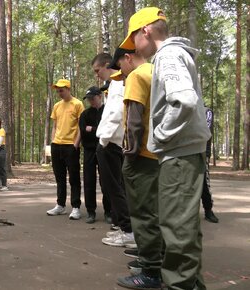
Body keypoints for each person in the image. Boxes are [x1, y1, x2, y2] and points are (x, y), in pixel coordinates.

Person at [119, 7, 211, 290]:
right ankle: (191, 283)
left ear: (145, 30)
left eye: (133, 38)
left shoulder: (168, 56)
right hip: (183, 150)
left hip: (178, 152)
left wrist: (159, 135)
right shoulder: (172, 56)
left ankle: (181, 285)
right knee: (181, 225)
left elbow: (183, 100)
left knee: (177, 228)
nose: (133, 47)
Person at [110, 46, 163, 288]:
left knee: (142, 214)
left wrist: (129, 153)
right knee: (154, 211)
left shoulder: (136, 76)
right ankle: (155, 260)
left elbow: (133, 118)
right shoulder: (156, 71)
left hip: (140, 154)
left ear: (127, 58)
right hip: (157, 153)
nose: (121, 72)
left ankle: (151, 272)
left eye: (120, 65)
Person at [91, 53, 134, 247]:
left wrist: (104, 140)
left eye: (98, 70)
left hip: (110, 144)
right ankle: (120, 225)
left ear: (107, 65)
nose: (97, 75)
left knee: (115, 188)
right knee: (113, 188)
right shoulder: (115, 84)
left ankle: (127, 229)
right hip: (112, 143)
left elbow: (116, 113)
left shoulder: (118, 83)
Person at [46, 79, 84, 219]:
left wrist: (76, 144)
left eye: (61, 90)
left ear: (68, 89)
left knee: (74, 178)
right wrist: (52, 142)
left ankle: (76, 207)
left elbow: (81, 126)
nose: (59, 93)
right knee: (59, 177)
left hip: (71, 146)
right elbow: (55, 126)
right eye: (57, 91)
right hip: (57, 145)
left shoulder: (78, 104)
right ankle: (60, 205)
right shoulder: (57, 106)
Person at [79, 86, 111, 224]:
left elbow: (109, 130)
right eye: (89, 99)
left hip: (105, 149)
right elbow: (83, 131)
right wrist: (97, 131)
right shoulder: (85, 114)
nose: (91, 101)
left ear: (100, 96)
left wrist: (93, 129)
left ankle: (109, 211)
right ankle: (90, 212)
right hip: (89, 151)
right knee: (89, 181)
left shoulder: (108, 112)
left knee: (106, 181)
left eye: (93, 98)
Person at [202, 106, 219, 223]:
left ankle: (208, 210)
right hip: (185, 151)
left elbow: (206, 131)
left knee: (204, 182)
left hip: (202, 152)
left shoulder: (206, 111)